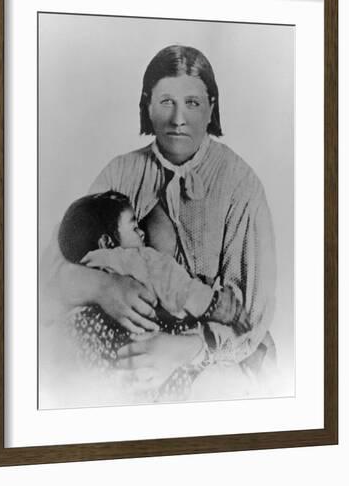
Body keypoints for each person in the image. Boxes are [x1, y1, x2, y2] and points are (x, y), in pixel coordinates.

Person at [41, 44, 277, 402]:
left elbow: (252, 319)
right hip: (125, 348)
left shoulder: (241, 186)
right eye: (166, 102)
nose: (178, 119)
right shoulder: (121, 171)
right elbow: (52, 271)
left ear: (212, 106)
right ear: (147, 106)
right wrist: (102, 288)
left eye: (193, 103)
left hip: (214, 363)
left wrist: (183, 349)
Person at [58, 190, 251, 380]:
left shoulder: (85, 270)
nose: (142, 232)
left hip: (104, 354)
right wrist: (215, 305)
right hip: (147, 348)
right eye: (134, 227)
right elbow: (174, 284)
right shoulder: (136, 258)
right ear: (107, 242)